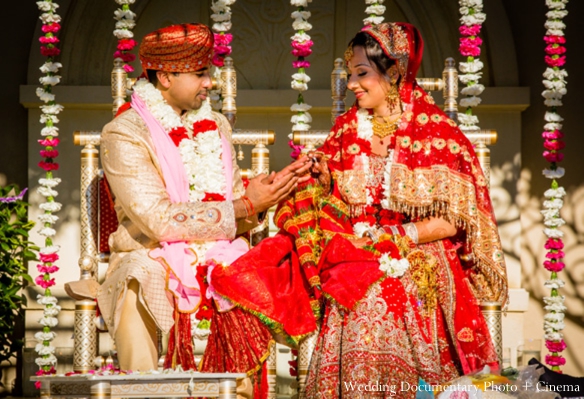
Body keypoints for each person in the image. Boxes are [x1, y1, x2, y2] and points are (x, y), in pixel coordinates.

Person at [211, 22, 508, 398]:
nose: (352, 84)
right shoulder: (347, 130)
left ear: (395, 72)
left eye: (361, 74)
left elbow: (454, 220)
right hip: (356, 248)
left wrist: (399, 236)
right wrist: (323, 183)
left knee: (375, 288)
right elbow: (336, 203)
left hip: (419, 253)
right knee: (350, 279)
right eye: (350, 74)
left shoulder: (438, 134)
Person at [87, 22, 311, 375]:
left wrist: (266, 195)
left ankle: (235, 388)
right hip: (149, 251)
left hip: (218, 250)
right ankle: (144, 392)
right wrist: (246, 205)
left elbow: (237, 201)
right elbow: (158, 220)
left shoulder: (216, 125)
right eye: (200, 74)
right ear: (165, 76)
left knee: (244, 277)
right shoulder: (123, 133)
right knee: (136, 280)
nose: (210, 83)